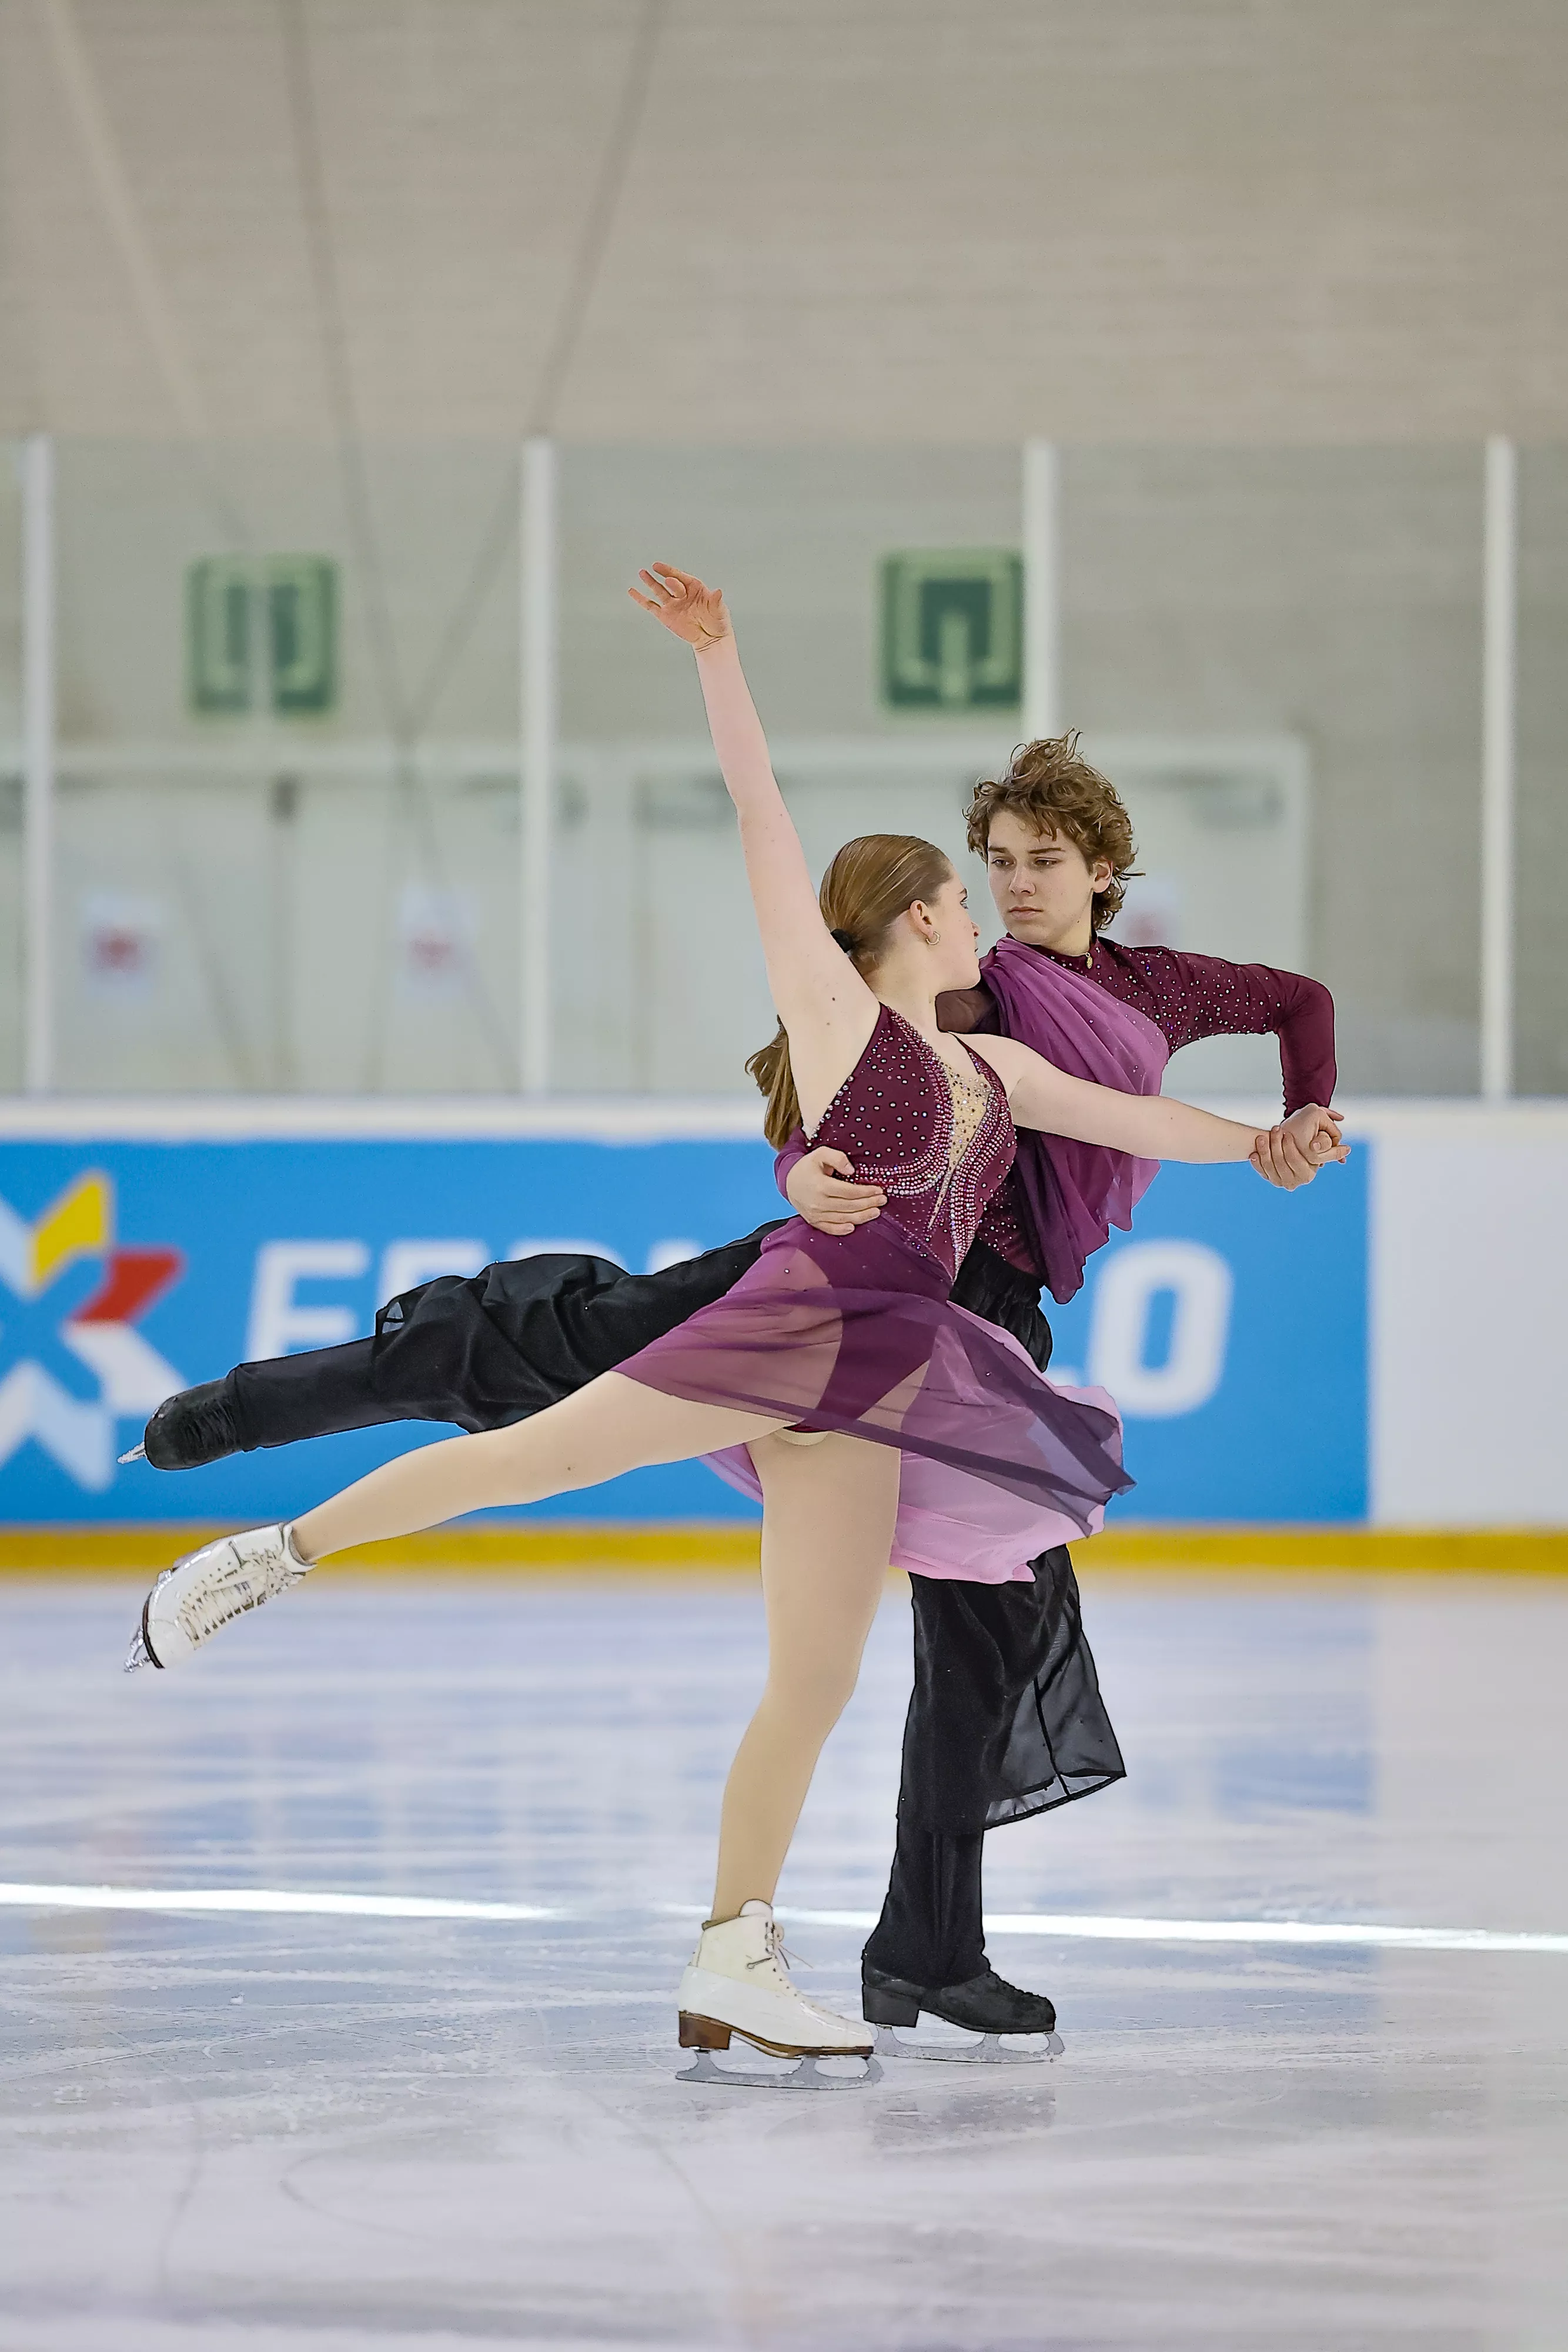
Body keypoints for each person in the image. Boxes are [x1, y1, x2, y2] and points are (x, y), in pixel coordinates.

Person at [124, 566, 1345, 2076]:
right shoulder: (842, 1021)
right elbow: (761, 817)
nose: (995, 906)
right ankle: (263, 1556)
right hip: (793, 1323)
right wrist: (719, 659)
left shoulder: (1001, 1070)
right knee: (528, 1454)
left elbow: (1147, 1121)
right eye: (973, 887)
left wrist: (1275, 1140)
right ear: (920, 916)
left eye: (1026, 871)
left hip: (887, 1373)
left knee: (814, 1677)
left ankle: (734, 1956)